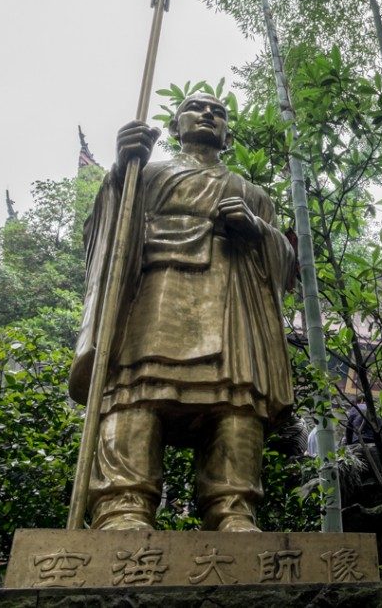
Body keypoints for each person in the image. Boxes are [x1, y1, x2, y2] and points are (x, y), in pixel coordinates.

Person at [69, 94, 295, 532]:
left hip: (231, 301)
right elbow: (102, 236)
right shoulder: (145, 173)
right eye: (196, 108)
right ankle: (123, 505)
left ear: (227, 133)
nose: (209, 114)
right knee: (138, 389)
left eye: (220, 112)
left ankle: (232, 506)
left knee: (236, 400)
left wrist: (256, 229)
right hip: (156, 295)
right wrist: (120, 172)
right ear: (175, 127)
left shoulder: (251, 193)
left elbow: (285, 264)